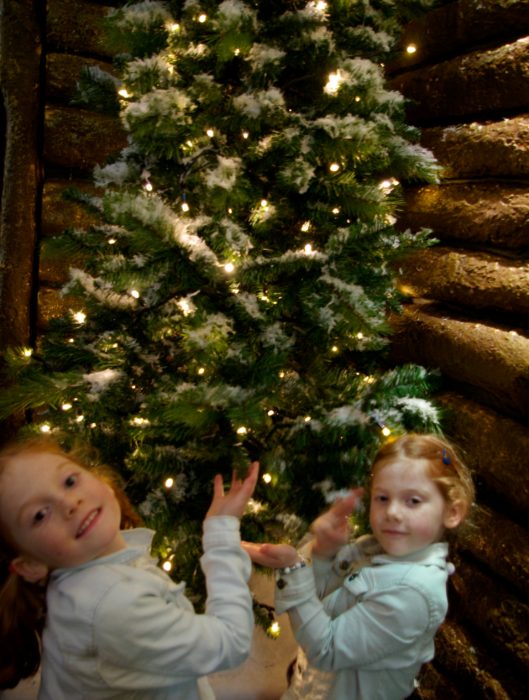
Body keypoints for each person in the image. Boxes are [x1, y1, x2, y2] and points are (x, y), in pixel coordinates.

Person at [0, 436, 259, 699]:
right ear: (30, 564)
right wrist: (222, 534)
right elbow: (231, 641)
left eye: (69, 481)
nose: (69, 504)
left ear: (97, 478)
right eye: (40, 515)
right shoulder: (114, 605)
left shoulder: (99, 574)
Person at [243, 433, 475, 700]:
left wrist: (293, 568)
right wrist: (323, 552)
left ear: (452, 512)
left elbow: (327, 649)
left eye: (413, 501)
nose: (392, 512)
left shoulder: (414, 594)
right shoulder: (370, 548)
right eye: (383, 498)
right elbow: (320, 600)